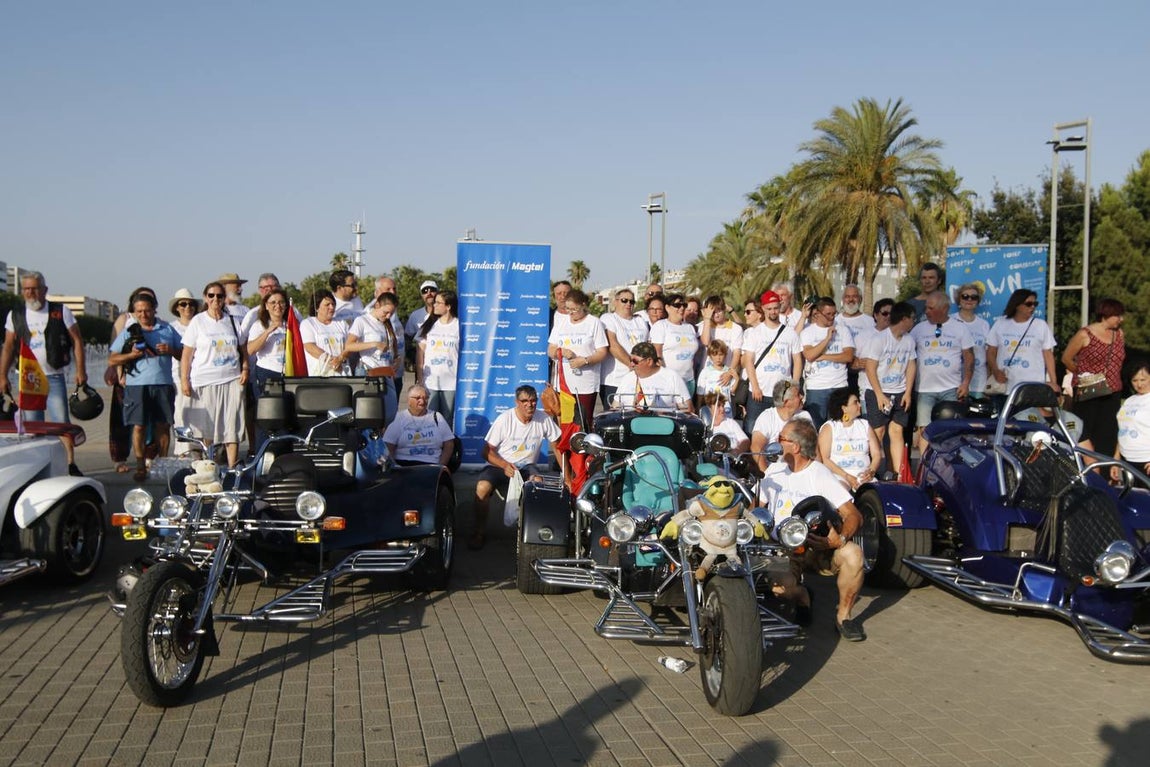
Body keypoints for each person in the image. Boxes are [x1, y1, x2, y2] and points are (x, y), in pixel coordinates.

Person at [759, 418, 867, 641]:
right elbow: (756, 509)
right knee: (781, 589)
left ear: (795, 447)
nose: (776, 442)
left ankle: (843, 618)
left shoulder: (819, 474)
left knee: (854, 554)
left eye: (781, 439)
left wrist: (840, 539)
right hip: (783, 549)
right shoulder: (774, 471)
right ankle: (803, 596)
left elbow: (854, 514)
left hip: (817, 546)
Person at [0, 271, 88, 475]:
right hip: (28, 380)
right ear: (23, 292)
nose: (31, 293)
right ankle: (38, 468)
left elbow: (77, 340)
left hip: (54, 375)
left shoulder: (60, 311)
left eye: (35, 289)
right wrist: (2, 375)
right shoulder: (16, 314)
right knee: (32, 427)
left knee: (61, 423)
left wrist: (81, 370)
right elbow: (8, 346)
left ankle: (70, 464)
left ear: (44, 290)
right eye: (27, 289)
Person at [470, 384, 561, 550]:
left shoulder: (543, 418)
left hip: (527, 466)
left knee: (538, 483)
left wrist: (568, 476)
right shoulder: (505, 419)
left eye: (533, 401)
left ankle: (538, 536)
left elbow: (557, 447)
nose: (529, 405)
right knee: (482, 487)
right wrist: (504, 465)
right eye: (524, 401)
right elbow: (486, 452)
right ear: (516, 402)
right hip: (501, 465)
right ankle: (479, 532)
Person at [108, 293, 182, 481]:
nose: (143, 314)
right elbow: (112, 358)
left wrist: (170, 350)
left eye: (147, 310)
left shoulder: (166, 328)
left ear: (154, 309)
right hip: (136, 385)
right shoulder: (129, 331)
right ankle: (140, 465)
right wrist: (130, 356)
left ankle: (163, 464)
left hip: (162, 384)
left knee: (163, 426)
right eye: (139, 311)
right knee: (139, 426)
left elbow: (184, 353)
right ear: (134, 312)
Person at [180, 282, 249, 467]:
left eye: (219, 296)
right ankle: (208, 466)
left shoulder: (233, 321)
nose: (215, 300)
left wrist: (245, 369)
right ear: (205, 298)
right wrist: (184, 380)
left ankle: (232, 466)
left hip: (231, 379)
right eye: (211, 296)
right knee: (206, 427)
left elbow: (243, 349)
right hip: (204, 380)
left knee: (231, 426)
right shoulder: (198, 321)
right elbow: (186, 355)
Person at [1061, 298, 1126, 458]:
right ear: (1106, 314)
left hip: (1112, 391)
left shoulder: (1118, 334)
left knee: (1108, 433)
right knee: (1085, 431)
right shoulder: (1085, 334)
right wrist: (1081, 373)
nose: (1121, 319)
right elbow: (1066, 358)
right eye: (1117, 315)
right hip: (1088, 391)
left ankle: (1105, 472)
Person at [910, 292, 974, 453]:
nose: (926, 311)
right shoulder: (918, 328)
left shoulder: (960, 328)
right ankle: (924, 467)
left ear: (944, 308)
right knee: (924, 430)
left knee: (951, 430)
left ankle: (949, 464)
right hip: (924, 389)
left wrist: (966, 382)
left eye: (931, 308)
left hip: (951, 388)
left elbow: (969, 357)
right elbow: (907, 355)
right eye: (926, 307)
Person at [861, 301, 917, 477]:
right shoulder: (879, 339)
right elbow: (870, 368)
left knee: (897, 430)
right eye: (912, 318)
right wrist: (879, 395)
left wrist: (908, 392)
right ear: (904, 318)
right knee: (878, 431)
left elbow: (911, 365)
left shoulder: (909, 340)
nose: (914, 322)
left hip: (899, 390)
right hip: (878, 391)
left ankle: (899, 473)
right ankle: (873, 471)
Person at [740, 290, 804, 432]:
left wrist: (794, 385)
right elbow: (748, 361)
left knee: (783, 430)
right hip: (759, 393)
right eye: (769, 309)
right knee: (753, 429)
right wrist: (755, 386)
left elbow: (797, 361)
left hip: (782, 393)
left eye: (776, 308)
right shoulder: (755, 333)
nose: (773, 311)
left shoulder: (790, 333)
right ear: (763, 309)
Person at [547, 288, 608, 429]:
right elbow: (550, 349)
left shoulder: (594, 322)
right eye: (568, 309)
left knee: (583, 423)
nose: (571, 313)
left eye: (574, 309)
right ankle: (566, 451)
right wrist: (560, 352)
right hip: (564, 384)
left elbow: (602, 352)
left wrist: (584, 360)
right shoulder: (561, 322)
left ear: (584, 305)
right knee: (566, 425)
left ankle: (583, 451)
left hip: (585, 384)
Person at [986, 289, 1060, 403]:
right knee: (1005, 420)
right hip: (1005, 386)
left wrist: (1053, 383)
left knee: (1031, 419)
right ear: (1017, 305)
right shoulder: (1000, 323)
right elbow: (991, 351)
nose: (1032, 307)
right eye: (1028, 304)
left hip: (1032, 387)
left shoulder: (1041, 326)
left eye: (1034, 304)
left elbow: (1048, 355)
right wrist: (995, 371)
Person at [346, 291, 402, 424]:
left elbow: (393, 348)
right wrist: (374, 344)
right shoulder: (362, 321)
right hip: (368, 371)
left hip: (386, 373)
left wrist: (397, 359)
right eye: (385, 312)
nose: (388, 316)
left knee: (389, 413)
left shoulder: (388, 324)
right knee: (370, 414)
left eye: (391, 313)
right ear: (377, 305)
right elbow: (349, 346)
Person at [800, 297, 854, 427]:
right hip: (817, 387)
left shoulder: (843, 330)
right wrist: (827, 339)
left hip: (839, 385)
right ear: (817, 314)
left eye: (834, 314)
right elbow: (810, 355)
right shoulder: (808, 332)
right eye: (828, 314)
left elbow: (848, 356)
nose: (832, 318)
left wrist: (824, 357)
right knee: (816, 427)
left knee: (840, 426)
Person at [819, 388, 881, 492]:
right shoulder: (830, 427)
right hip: (839, 476)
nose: (860, 405)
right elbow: (825, 459)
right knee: (839, 490)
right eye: (855, 402)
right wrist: (847, 476)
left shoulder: (864, 425)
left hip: (864, 477)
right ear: (844, 408)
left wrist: (871, 471)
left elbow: (876, 454)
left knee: (875, 494)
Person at [383, 384, 456, 468]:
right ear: (409, 400)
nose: (422, 401)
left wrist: (441, 466)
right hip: (405, 464)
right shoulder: (398, 418)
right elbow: (388, 445)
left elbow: (449, 444)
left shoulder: (437, 417)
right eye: (418, 398)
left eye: (425, 398)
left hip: (431, 464)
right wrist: (394, 467)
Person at [749, 378, 814, 473]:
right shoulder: (767, 417)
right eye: (797, 395)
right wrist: (765, 475)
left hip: (801, 471)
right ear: (786, 402)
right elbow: (756, 448)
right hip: (776, 472)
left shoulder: (804, 416)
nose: (801, 397)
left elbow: (814, 448)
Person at [599, 288, 648, 409]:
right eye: (624, 300)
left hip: (639, 380)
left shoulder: (640, 321)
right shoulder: (608, 318)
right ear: (615, 302)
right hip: (614, 381)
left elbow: (647, 345)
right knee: (615, 419)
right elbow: (613, 345)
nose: (628, 304)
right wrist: (632, 365)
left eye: (632, 302)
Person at [416, 289, 460, 424]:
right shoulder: (429, 324)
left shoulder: (459, 325)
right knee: (429, 418)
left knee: (447, 420)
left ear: (448, 306)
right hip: (431, 381)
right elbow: (420, 352)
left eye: (438, 303)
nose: (434, 305)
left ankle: (446, 445)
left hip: (451, 382)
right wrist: (420, 378)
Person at [168, 288, 200, 457]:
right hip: (177, 377)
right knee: (180, 415)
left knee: (198, 416)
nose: (187, 307)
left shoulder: (200, 323)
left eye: (190, 304)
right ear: (177, 307)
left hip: (199, 377)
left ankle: (198, 449)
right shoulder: (171, 328)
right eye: (183, 304)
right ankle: (183, 451)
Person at [614, 342, 691, 411]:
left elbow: (688, 410)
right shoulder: (627, 378)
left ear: (649, 361)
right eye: (630, 360)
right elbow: (615, 408)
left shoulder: (671, 376)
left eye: (635, 361)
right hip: (631, 424)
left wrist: (663, 414)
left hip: (662, 424)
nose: (631, 364)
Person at [650, 293, 701, 395]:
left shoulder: (690, 327)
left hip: (689, 380)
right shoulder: (661, 326)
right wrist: (666, 377)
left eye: (684, 305)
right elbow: (657, 355)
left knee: (687, 410)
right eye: (677, 305)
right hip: (669, 380)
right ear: (667, 307)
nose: (681, 308)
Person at [245, 288, 289, 396]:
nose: (277, 306)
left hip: (289, 372)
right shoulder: (259, 325)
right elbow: (250, 350)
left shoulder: (292, 324)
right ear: (266, 305)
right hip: (267, 372)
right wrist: (268, 331)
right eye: (273, 302)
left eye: (281, 302)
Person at [951, 284, 991, 399]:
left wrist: (988, 382)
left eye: (973, 297)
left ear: (978, 301)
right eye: (965, 296)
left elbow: (988, 355)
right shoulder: (950, 320)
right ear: (959, 299)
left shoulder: (984, 324)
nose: (969, 299)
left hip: (979, 382)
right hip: (954, 382)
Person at [1113, 361, 1150, 481]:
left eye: (1143, 379)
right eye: (1135, 380)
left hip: (1146, 461)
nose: (1139, 384)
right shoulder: (1129, 400)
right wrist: (1116, 459)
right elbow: (1123, 429)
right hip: (1127, 461)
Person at [301, 289, 350, 376]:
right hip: (320, 375)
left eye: (333, 304)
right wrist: (331, 361)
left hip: (342, 373)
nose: (331, 307)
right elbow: (310, 347)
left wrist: (340, 358)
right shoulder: (308, 323)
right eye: (327, 305)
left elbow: (349, 346)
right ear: (317, 308)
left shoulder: (342, 323)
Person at [371, 276, 406, 393]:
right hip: (377, 374)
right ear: (377, 292)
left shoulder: (394, 312)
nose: (393, 292)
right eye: (388, 289)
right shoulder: (368, 314)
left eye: (394, 289)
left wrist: (397, 357)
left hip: (396, 372)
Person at [699, 295, 743, 385]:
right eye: (713, 312)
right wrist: (707, 318)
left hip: (726, 377)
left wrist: (729, 373)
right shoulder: (705, 326)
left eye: (719, 310)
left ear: (724, 310)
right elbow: (705, 342)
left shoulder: (736, 328)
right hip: (707, 376)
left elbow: (736, 353)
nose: (716, 314)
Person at [405, 280, 439, 355]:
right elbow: (408, 336)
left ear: (438, 293)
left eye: (432, 290)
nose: (429, 294)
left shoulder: (445, 313)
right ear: (421, 295)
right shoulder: (415, 315)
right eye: (425, 291)